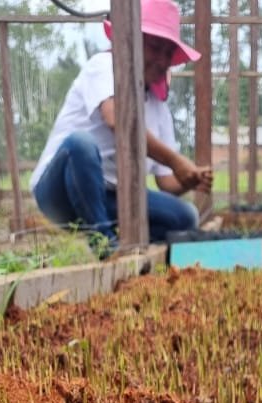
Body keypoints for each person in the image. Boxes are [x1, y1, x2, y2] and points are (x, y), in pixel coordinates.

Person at [30, 0, 212, 254]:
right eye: (154, 46)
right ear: (132, 41)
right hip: (60, 189)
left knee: (186, 217)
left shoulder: (159, 110)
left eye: (167, 53)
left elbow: (166, 182)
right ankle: (105, 244)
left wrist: (189, 179)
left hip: (113, 198)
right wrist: (176, 161)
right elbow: (117, 119)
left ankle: (133, 248)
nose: (161, 59)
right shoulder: (105, 66)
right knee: (80, 144)